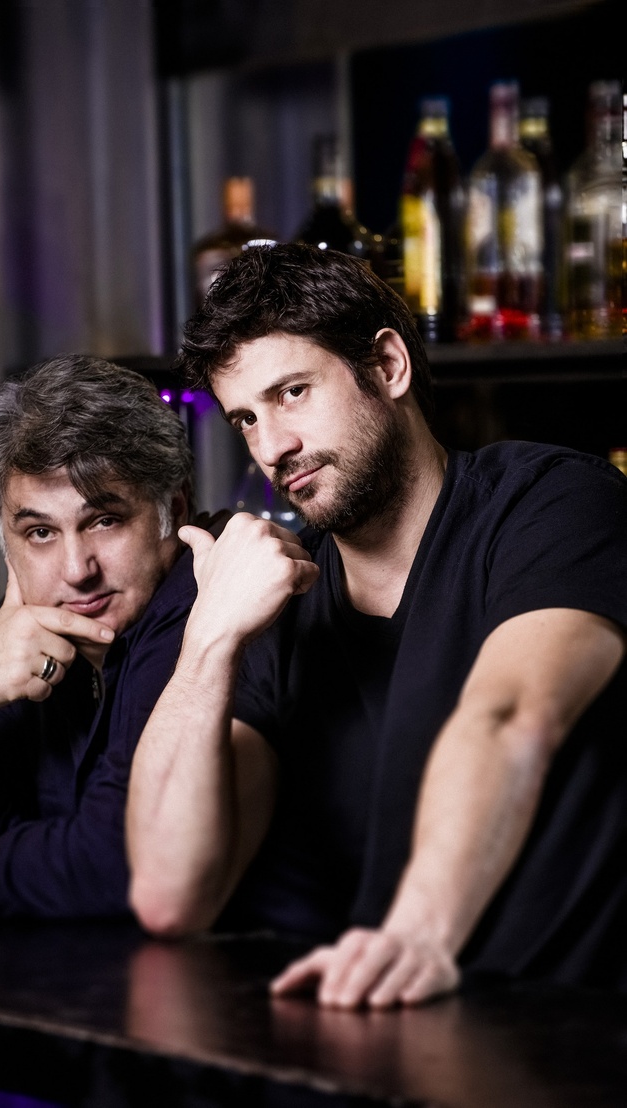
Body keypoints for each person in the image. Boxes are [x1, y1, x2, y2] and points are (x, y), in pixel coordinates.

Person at [126, 243, 627, 1008]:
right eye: (246, 419)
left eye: (293, 392)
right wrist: (209, 640)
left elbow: (511, 717)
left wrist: (419, 933)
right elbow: (171, 893)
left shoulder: (552, 505)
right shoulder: (283, 598)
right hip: (382, 1024)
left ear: (388, 366)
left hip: (570, 1034)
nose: (272, 447)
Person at [0, 354, 199, 917]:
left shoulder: (202, 605)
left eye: (104, 521)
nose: (77, 570)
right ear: (6, 545)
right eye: (39, 533)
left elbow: (115, 865)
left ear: (171, 513)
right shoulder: (27, 625)